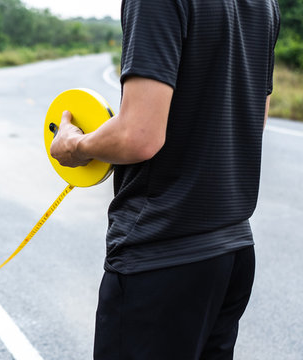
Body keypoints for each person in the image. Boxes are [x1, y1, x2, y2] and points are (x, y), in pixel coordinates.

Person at [50, 0, 280, 359]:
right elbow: (253, 121)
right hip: (231, 252)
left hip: (162, 255)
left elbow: (137, 135)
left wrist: (75, 145)